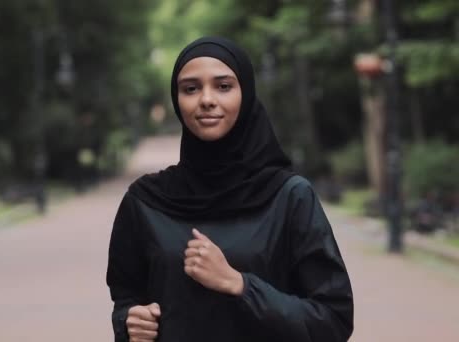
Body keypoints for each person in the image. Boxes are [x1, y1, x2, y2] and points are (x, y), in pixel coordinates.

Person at [106, 37, 353, 341]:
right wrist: (129, 324)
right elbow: (126, 300)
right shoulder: (145, 202)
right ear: (177, 99)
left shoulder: (289, 197)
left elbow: (334, 320)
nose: (206, 99)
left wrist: (239, 284)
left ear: (245, 94)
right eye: (191, 88)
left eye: (223, 86)